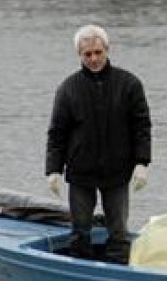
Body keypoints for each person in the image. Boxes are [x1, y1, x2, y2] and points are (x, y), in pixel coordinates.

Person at [45, 24, 152, 263]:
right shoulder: (68, 89)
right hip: (81, 172)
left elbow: (142, 127)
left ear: (107, 49)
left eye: (98, 52)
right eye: (87, 54)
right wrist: (53, 170)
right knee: (80, 231)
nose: (93, 58)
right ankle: (79, 274)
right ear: (79, 56)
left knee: (119, 231)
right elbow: (57, 134)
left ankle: (119, 276)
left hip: (117, 171)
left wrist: (142, 162)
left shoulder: (130, 84)